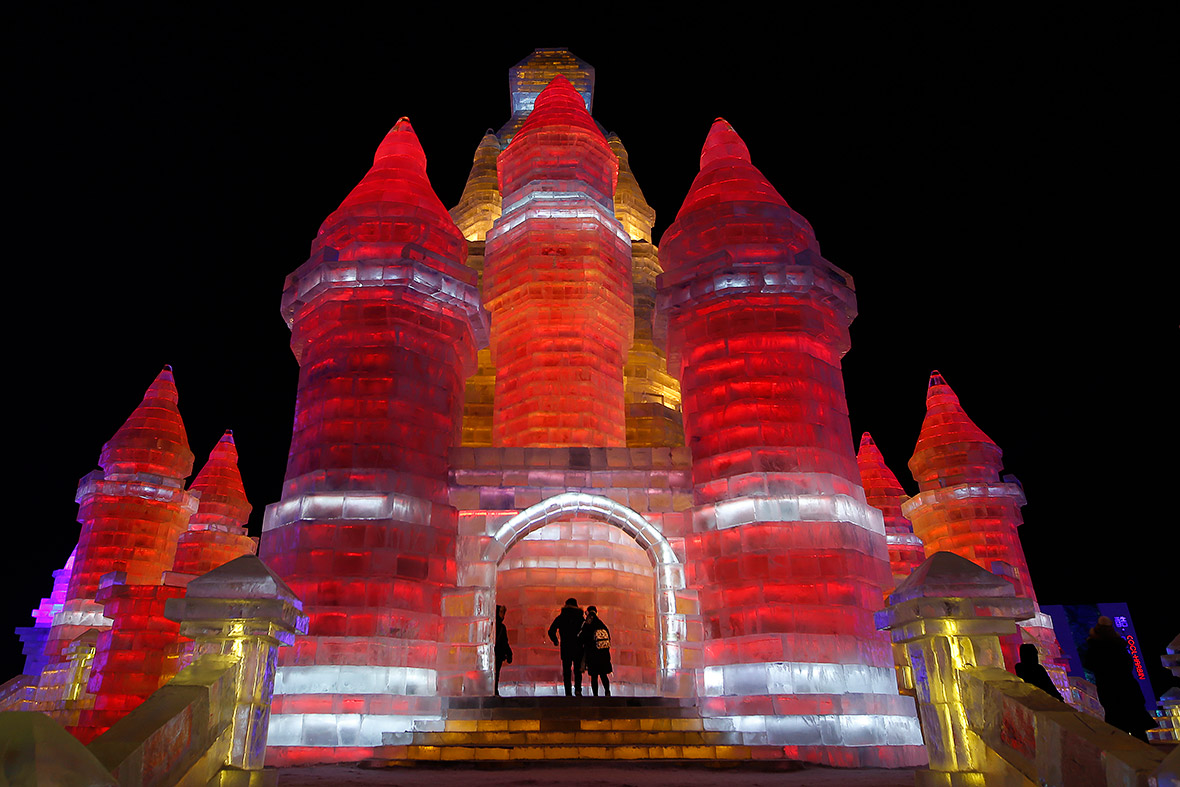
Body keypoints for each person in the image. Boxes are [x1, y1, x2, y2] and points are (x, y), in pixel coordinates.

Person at [1082, 616, 1154, 741]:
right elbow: (1128, 665)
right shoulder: (1119, 646)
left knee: (1118, 727)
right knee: (1137, 727)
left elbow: (1088, 664)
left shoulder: (1095, 647)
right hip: (1127, 688)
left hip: (1109, 689)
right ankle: (1147, 756)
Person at [547, 597, 585, 697]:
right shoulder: (581, 618)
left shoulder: (561, 617)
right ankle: (578, 690)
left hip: (566, 647)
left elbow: (551, 631)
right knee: (577, 671)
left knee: (566, 671)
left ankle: (568, 692)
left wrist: (556, 640)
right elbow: (585, 632)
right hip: (578, 647)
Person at [579, 605, 612, 697]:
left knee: (594, 676)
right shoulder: (602, 625)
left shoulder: (588, 625)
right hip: (604, 655)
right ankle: (607, 692)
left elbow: (582, 638)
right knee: (603, 675)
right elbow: (609, 639)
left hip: (593, 654)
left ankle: (595, 695)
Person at [494, 604, 512, 697]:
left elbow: (505, 642)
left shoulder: (495, 625)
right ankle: (494, 691)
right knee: (495, 674)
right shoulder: (500, 627)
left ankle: (494, 691)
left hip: (497, 655)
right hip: (497, 654)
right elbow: (505, 642)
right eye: (501, 612)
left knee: (495, 674)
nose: (503, 615)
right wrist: (509, 654)